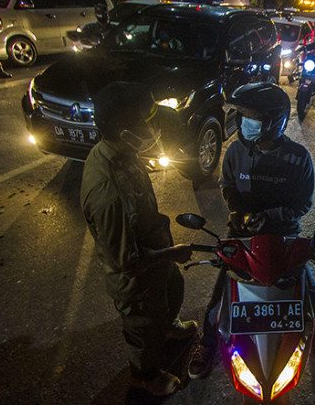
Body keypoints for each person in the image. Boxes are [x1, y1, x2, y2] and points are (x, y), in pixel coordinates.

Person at [188, 82, 315, 379]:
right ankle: (207, 340)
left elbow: (303, 202)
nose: (243, 123)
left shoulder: (298, 158)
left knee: (307, 288)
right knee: (221, 296)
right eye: (241, 116)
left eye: (250, 117)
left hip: (284, 236)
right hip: (241, 236)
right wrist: (238, 212)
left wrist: (271, 216)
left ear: (273, 122)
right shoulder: (235, 152)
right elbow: (227, 186)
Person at [80, 82, 196, 396]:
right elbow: (125, 261)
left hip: (156, 256)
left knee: (169, 295)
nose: (152, 129)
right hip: (137, 279)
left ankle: (168, 328)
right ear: (122, 130)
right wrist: (171, 253)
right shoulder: (107, 193)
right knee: (142, 330)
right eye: (144, 123)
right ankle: (145, 377)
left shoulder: (122, 152)